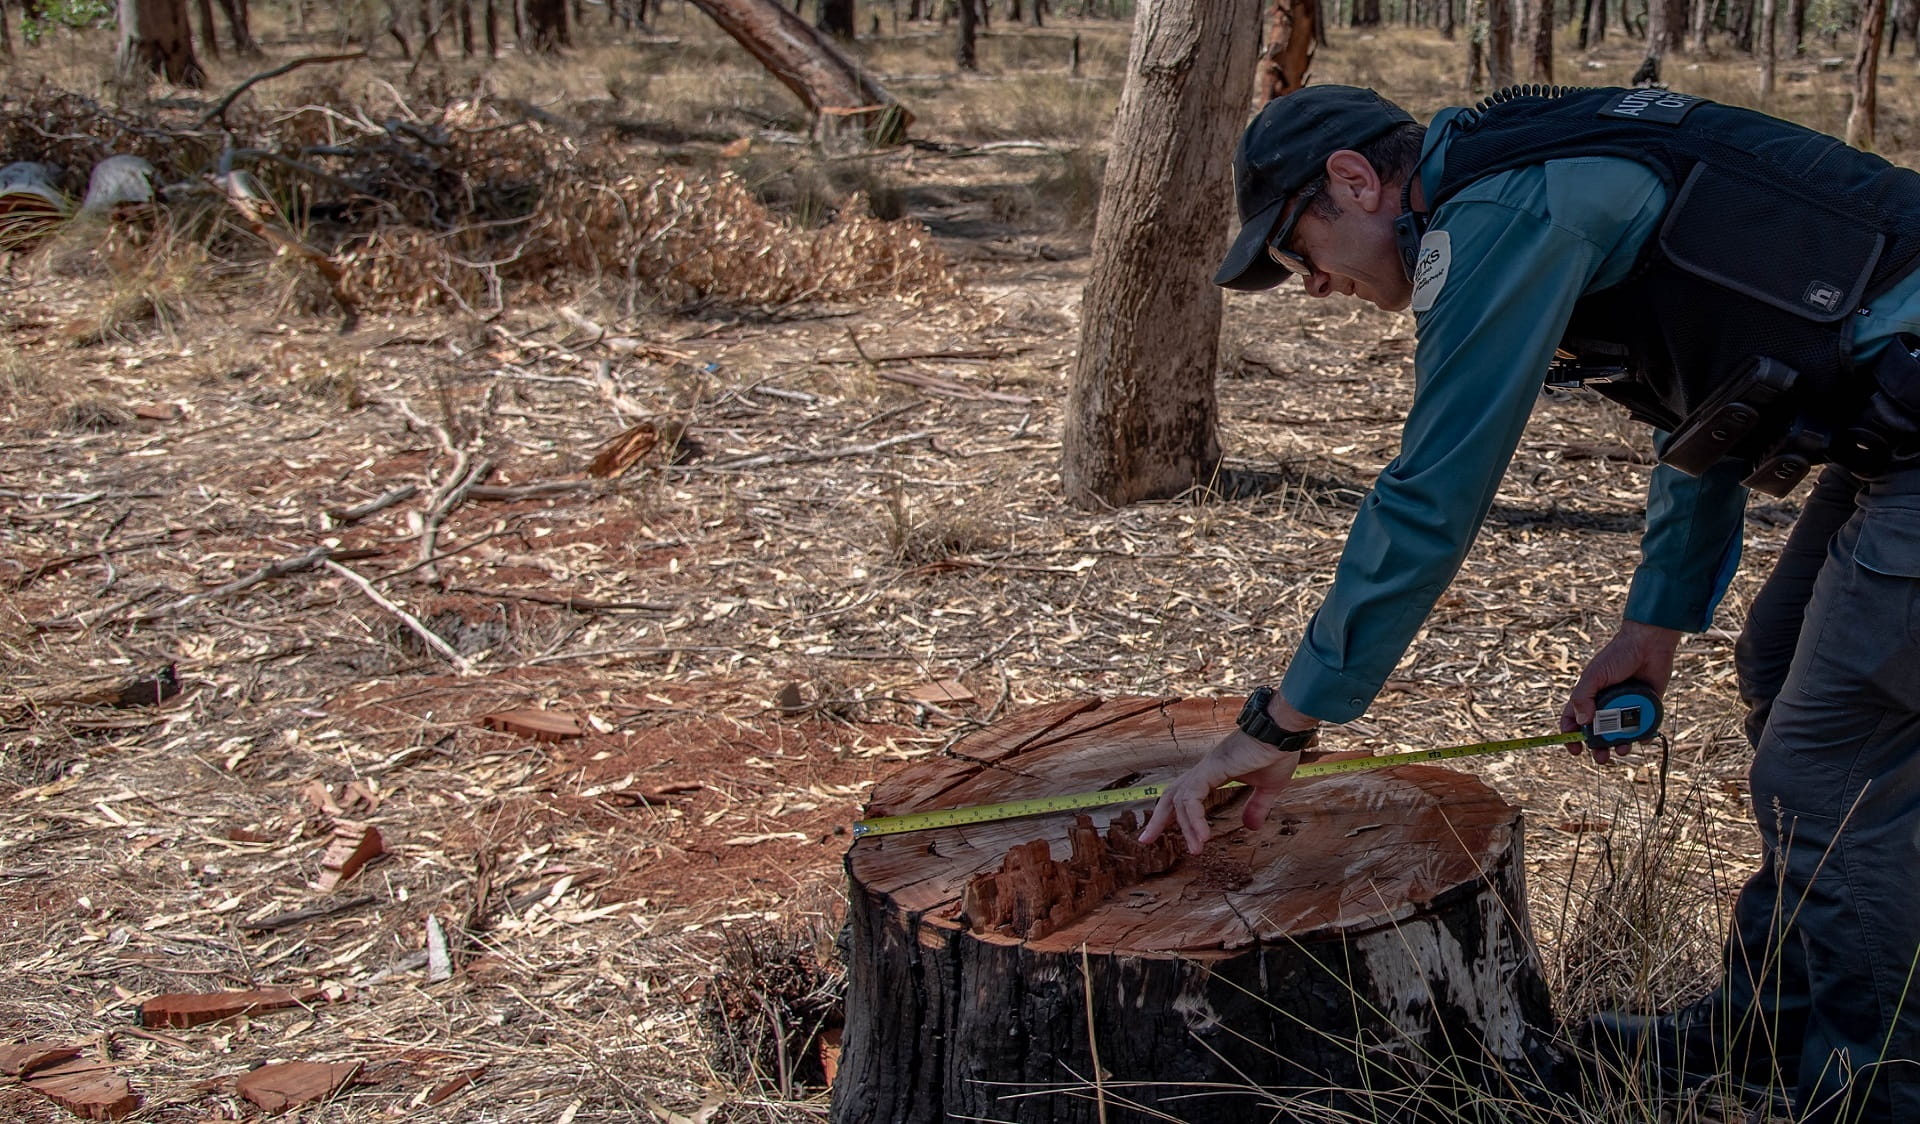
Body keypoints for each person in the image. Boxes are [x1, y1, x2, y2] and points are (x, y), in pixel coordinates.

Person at [1134, 84, 1920, 1123]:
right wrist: (1655, 621)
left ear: (1355, 181)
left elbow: (1434, 493)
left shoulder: (1503, 214)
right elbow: (1717, 408)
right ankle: (1774, 1023)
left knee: (1827, 757)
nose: (1311, 285)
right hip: (1893, 414)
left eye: (1295, 250)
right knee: (1780, 669)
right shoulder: (1521, 174)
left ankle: (1880, 1083)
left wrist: (1286, 717)